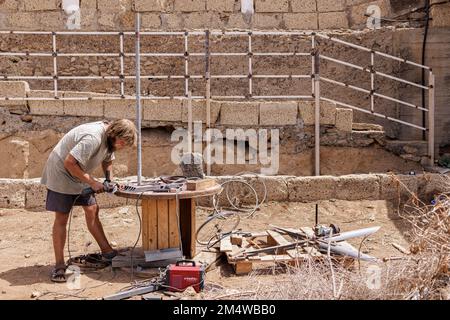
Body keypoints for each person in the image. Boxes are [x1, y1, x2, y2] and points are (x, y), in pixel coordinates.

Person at [41, 119, 137, 282]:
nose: (121, 147)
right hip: (61, 173)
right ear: (114, 135)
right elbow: (69, 163)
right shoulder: (92, 138)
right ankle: (59, 266)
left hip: (79, 173)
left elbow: (107, 159)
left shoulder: (109, 139)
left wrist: (108, 180)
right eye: (121, 143)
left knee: (92, 209)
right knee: (62, 218)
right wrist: (92, 182)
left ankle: (108, 252)